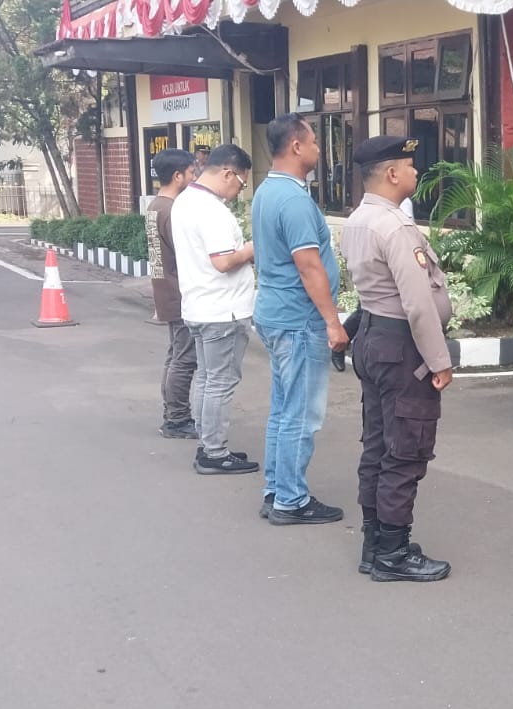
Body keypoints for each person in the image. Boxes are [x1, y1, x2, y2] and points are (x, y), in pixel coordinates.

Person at [340, 136, 455, 582]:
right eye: (409, 165)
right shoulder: (393, 226)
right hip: (402, 347)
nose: (415, 171)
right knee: (405, 449)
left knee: (377, 446)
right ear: (391, 173)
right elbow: (418, 303)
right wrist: (439, 360)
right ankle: (393, 554)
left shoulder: (358, 220)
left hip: (373, 338)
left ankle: (375, 544)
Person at [251, 113, 348, 526]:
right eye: (313, 142)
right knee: (301, 414)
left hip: (276, 314)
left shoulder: (266, 191)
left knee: (283, 409)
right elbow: (309, 266)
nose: (318, 149)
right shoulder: (293, 200)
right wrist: (333, 322)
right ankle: (291, 501)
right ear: (296, 146)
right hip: (298, 320)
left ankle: (277, 490)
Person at [172, 144, 260, 475]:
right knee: (220, 382)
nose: (239, 190)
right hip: (223, 310)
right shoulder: (211, 210)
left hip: (199, 305)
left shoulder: (185, 201)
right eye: (241, 182)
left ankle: (208, 443)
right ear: (227, 173)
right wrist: (252, 248)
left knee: (208, 379)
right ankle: (214, 451)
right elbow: (223, 261)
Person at [147, 148, 200, 440]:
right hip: (180, 292)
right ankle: (177, 419)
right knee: (184, 358)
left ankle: (173, 413)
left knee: (176, 355)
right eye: (191, 172)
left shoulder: (156, 206)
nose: (194, 177)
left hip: (165, 290)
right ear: (178, 175)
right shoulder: (172, 210)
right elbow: (187, 254)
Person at [334, 198, 416, 373]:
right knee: (365, 311)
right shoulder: (370, 204)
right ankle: (340, 346)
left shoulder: (400, 202)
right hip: (379, 266)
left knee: (367, 311)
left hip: (391, 264)